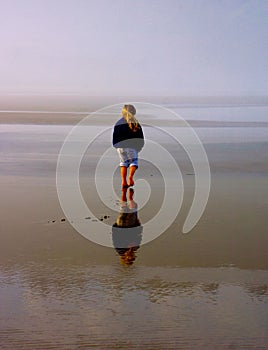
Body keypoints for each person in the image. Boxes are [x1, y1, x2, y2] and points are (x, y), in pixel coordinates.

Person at [112, 104, 144, 188]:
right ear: (134, 112)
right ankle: (130, 177)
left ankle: (123, 181)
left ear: (123, 112)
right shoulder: (135, 123)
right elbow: (140, 137)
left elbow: (115, 135)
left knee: (123, 163)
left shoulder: (118, 123)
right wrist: (140, 147)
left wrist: (116, 145)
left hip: (120, 147)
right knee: (133, 162)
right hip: (132, 147)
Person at [112, 188, 142, 266]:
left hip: (121, 226)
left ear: (124, 258)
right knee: (133, 208)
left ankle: (124, 192)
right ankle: (130, 198)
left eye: (128, 259)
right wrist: (138, 224)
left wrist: (115, 227)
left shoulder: (120, 250)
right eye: (132, 258)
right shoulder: (135, 248)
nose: (130, 257)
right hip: (132, 226)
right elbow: (139, 236)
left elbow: (115, 238)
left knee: (123, 209)